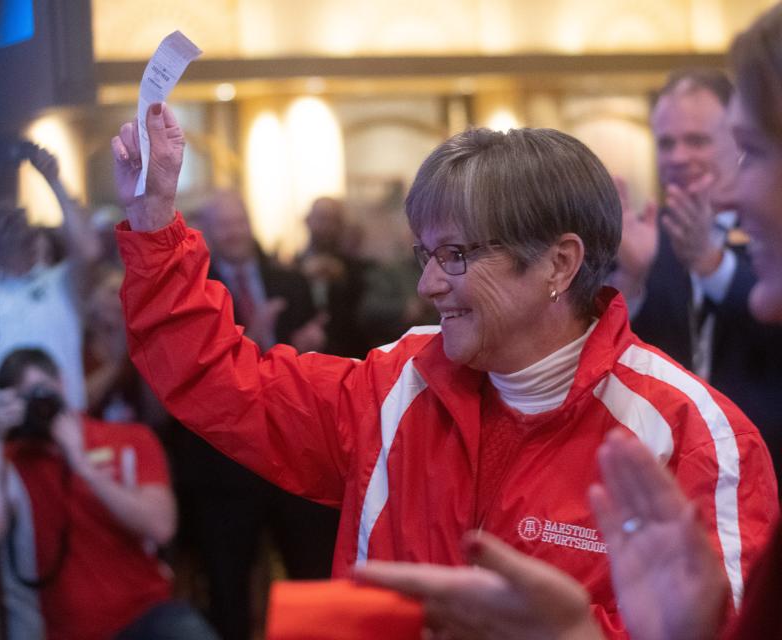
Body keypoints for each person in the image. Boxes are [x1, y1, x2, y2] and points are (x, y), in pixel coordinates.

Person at [111, 105, 777, 638]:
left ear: (558, 264)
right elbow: (218, 382)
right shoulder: (396, 385)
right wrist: (152, 217)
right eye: (425, 252)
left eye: (455, 254)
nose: (428, 282)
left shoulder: (690, 437)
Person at [359, 5, 782, 639]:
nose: (723, 188)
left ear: (559, 262)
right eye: (666, 141)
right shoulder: (655, 248)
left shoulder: (694, 423)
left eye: (741, 149)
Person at [170, 191, 336, 640]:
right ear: (205, 230)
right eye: (222, 224)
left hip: (292, 457)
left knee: (314, 576)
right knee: (228, 592)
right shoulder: (195, 293)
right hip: (223, 466)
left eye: (239, 221)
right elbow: (197, 375)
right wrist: (258, 341)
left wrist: (306, 347)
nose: (234, 232)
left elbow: (316, 364)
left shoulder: (291, 282)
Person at [0, 347, 218, 640]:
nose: (35, 408)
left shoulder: (128, 439)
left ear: (61, 384)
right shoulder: (12, 461)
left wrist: (82, 465)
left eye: (39, 394)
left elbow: (161, 527)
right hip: (61, 631)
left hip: (146, 614)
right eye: (21, 402)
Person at [610, 70, 782, 479]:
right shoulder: (645, 237)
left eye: (697, 140)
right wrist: (631, 281)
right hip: (672, 468)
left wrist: (712, 265)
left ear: (737, 142)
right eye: (666, 143)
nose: (678, 157)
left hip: (766, 460)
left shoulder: (770, 227)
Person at [0, 144, 101, 422]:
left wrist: (54, 182)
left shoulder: (59, 284)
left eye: (17, 215)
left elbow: (88, 251)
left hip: (67, 426)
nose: (12, 220)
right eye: (0, 219)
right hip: (8, 438)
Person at [296, 197, 371, 357]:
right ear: (308, 221)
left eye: (333, 220)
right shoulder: (289, 269)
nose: (327, 227)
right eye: (321, 218)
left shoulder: (356, 271)